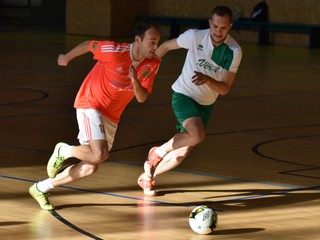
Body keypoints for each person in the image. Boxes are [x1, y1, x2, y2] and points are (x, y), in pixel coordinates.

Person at [29, 20, 161, 210]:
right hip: (90, 102)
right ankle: (63, 151)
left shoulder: (153, 63)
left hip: (111, 116)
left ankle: (41, 187)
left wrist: (134, 81)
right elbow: (88, 45)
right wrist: (66, 58)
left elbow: (141, 98)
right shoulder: (115, 51)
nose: (155, 47)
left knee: (91, 166)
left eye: (157, 42)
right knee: (100, 154)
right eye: (152, 41)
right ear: (138, 40)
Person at [137, 6, 242, 196]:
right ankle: (158, 153)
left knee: (181, 154)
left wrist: (208, 79)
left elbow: (225, 88)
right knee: (197, 135)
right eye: (215, 26)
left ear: (230, 27)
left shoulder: (234, 51)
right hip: (183, 94)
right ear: (210, 23)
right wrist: (148, 70)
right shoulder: (195, 36)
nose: (218, 32)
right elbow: (166, 46)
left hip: (205, 104)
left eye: (223, 28)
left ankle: (148, 176)